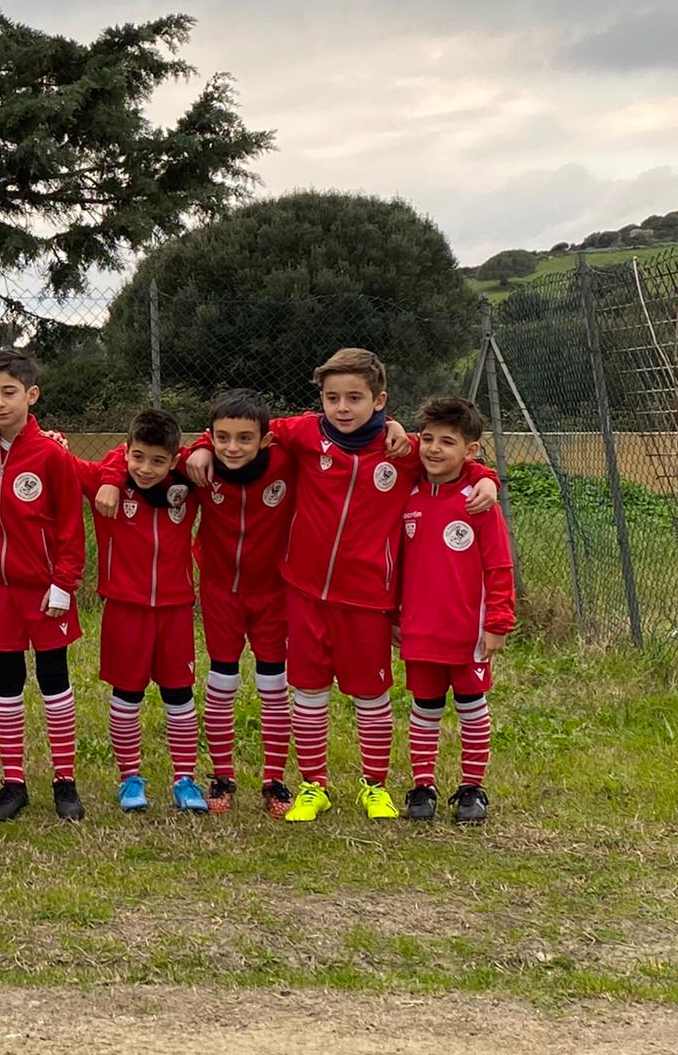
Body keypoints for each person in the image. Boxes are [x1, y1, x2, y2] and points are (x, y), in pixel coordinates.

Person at [184, 348, 498, 823]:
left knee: (370, 697)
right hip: (305, 593)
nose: (343, 408)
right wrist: (200, 447)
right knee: (308, 694)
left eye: (355, 397)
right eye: (333, 397)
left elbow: (451, 464)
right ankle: (314, 785)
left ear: (379, 400)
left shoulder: (405, 451)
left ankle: (374, 786)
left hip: (368, 599)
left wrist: (486, 477)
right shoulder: (303, 434)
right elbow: (241, 432)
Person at [104, 389, 296, 817]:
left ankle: (275, 780)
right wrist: (111, 477)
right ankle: (222, 777)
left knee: (273, 687)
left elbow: (318, 430)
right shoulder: (197, 470)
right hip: (220, 589)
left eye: (244, 438)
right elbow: (143, 453)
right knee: (221, 683)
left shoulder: (287, 461)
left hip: (274, 592)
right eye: (222, 438)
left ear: (264, 441)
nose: (232, 448)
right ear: (210, 436)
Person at [0, 349, 87, 823]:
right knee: (7, 683)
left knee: (54, 681)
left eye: (9, 393)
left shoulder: (52, 454)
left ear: (31, 394)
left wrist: (63, 584)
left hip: (46, 590)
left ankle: (64, 781)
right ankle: (14, 781)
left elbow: (72, 527)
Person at [76, 409, 206, 813]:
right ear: (127, 451)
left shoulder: (188, 484)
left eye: (157, 460)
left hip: (175, 609)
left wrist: (195, 452)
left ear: (173, 459)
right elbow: (59, 459)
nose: (145, 469)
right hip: (124, 609)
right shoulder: (105, 483)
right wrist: (114, 475)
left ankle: (185, 778)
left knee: (179, 695)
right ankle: (129, 778)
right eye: (137, 457)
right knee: (126, 696)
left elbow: (213, 449)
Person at [397, 396, 515, 825]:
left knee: (471, 709)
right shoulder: (407, 495)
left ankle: (471, 788)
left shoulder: (479, 502)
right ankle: (423, 786)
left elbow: (499, 566)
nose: (433, 449)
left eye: (447, 441)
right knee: (424, 710)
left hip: (468, 634)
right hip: (420, 630)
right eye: (427, 439)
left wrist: (498, 622)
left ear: (471, 451)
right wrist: (396, 617)